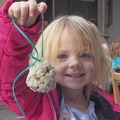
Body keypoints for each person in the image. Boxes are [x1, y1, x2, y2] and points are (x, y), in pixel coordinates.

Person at [0, 0, 120, 120]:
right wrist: (18, 33)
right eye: (62, 56)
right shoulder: (36, 102)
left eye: (85, 55)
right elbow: (11, 81)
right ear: (45, 63)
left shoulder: (106, 105)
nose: (75, 63)